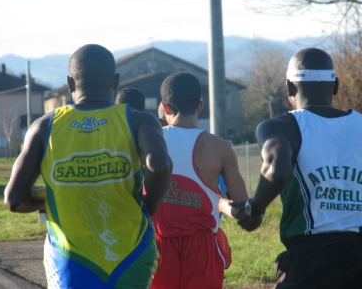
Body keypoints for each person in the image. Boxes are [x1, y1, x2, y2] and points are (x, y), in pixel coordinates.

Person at [4, 44, 173, 289]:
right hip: (131, 254)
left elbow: (14, 199)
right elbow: (159, 165)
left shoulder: (43, 127)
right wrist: (150, 206)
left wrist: (57, 195)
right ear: (115, 82)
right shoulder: (139, 120)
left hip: (70, 259)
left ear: (70, 84)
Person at [232, 47, 362, 288]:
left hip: (313, 259)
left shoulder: (281, 126)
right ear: (335, 85)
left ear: (290, 88)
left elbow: (277, 168)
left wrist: (255, 211)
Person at [150, 71, 252, 289]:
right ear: (200, 106)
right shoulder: (219, 147)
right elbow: (244, 208)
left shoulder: (149, 141)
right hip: (202, 248)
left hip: (157, 246)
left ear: (165, 108)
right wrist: (222, 204)